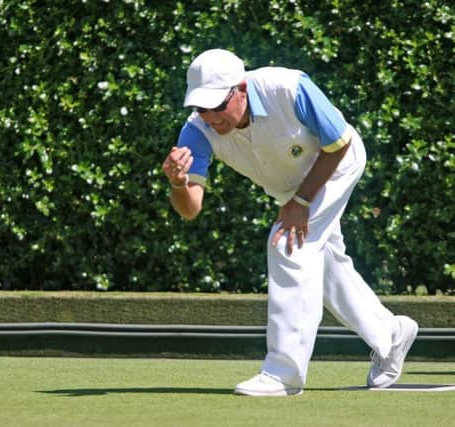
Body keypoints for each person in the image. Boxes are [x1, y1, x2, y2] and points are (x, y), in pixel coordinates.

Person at [161, 49, 418, 396]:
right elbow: (190, 208)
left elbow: (338, 144)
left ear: (240, 88)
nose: (211, 117)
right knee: (326, 268)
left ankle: (285, 373)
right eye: (201, 108)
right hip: (292, 189)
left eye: (218, 106)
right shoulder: (198, 131)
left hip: (337, 165)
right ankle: (390, 335)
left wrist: (300, 202)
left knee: (288, 244)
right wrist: (178, 182)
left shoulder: (289, 87)